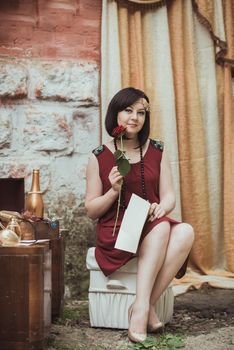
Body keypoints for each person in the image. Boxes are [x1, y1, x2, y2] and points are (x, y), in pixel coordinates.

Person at [85, 87, 194, 343]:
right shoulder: (99, 156)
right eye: (128, 110)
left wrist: (162, 208)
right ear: (116, 114)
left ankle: (141, 306)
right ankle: (145, 310)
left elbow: (168, 196)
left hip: (151, 222)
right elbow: (91, 210)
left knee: (185, 230)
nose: (135, 117)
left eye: (141, 112)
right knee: (162, 228)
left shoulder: (157, 149)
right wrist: (113, 192)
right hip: (118, 230)